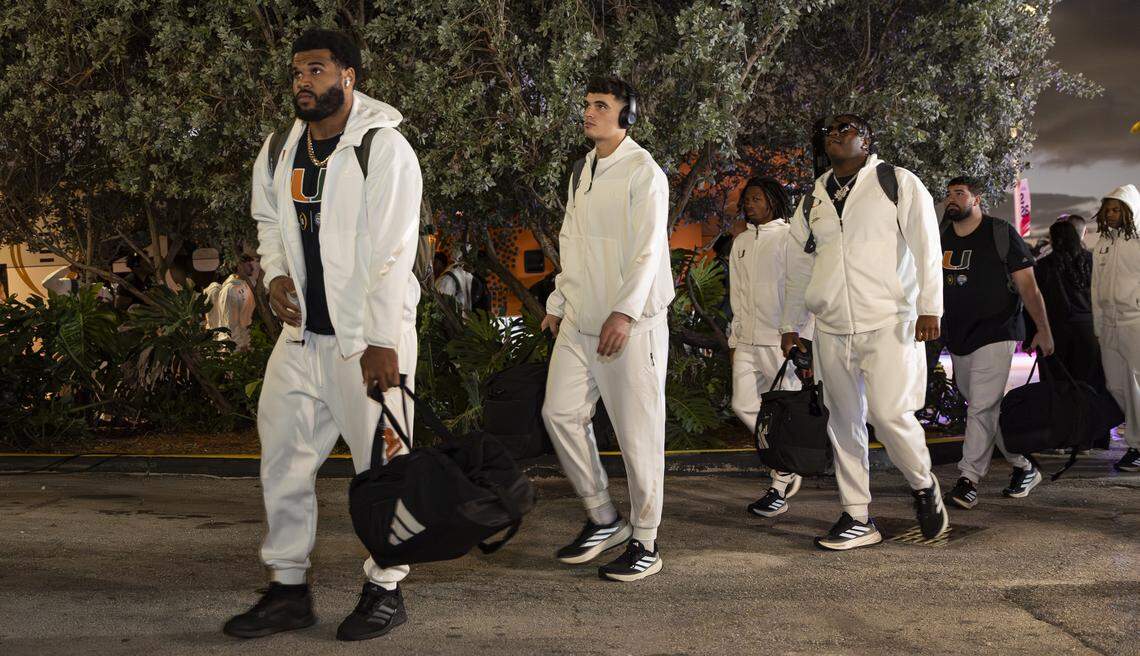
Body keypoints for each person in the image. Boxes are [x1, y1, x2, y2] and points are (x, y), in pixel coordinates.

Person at [224, 29, 422, 641]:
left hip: (365, 342)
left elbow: (393, 251)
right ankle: (288, 590)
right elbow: (269, 223)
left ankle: (386, 588)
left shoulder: (383, 149)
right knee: (282, 461)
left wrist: (383, 338)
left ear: (349, 77)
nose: (303, 82)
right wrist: (278, 274)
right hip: (301, 340)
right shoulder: (281, 146)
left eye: (316, 69)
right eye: (296, 73)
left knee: (384, 469)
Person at [781, 114, 949, 550]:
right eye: (828, 132)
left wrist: (930, 307)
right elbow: (800, 265)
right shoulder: (813, 198)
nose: (834, 135)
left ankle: (923, 484)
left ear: (867, 139)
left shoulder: (896, 182)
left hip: (890, 321)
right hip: (833, 327)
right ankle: (857, 516)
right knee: (843, 422)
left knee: (890, 415)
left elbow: (926, 245)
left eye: (845, 128)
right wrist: (793, 325)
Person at [540, 76, 674, 581]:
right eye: (587, 105)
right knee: (559, 412)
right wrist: (557, 301)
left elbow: (647, 250)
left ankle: (645, 541)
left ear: (626, 115)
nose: (589, 113)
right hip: (579, 321)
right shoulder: (582, 170)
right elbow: (570, 240)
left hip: (629, 327)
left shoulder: (644, 173)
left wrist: (625, 311)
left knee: (639, 435)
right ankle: (603, 516)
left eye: (601, 105)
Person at [937, 177, 1054, 509]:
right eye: (948, 195)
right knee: (984, 407)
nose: (951, 200)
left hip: (998, 331)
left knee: (981, 407)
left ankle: (968, 479)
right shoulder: (941, 236)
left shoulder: (999, 233)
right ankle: (1023, 464)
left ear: (977, 199)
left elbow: (1029, 288)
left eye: (959, 193)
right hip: (959, 336)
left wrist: (1043, 329)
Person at [726, 176, 814, 518]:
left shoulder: (790, 238)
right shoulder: (741, 242)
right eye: (747, 198)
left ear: (774, 201)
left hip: (780, 342)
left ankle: (778, 486)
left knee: (785, 414)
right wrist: (735, 339)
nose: (750, 203)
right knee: (743, 404)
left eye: (757, 198)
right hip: (747, 340)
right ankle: (786, 465)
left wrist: (798, 335)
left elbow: (801, 289)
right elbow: (736, 295)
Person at [1091, 185, 1140, 472]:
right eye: (1107, 208)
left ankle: (1136, 445)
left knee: (1136, 383)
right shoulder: (1102, 244)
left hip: (1134, 320)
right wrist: (1098, 325)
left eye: (1116, 209)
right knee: (1116, 384)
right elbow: (1096, 287)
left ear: (1129, 210)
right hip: (1109, 323)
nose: (1110, 214)